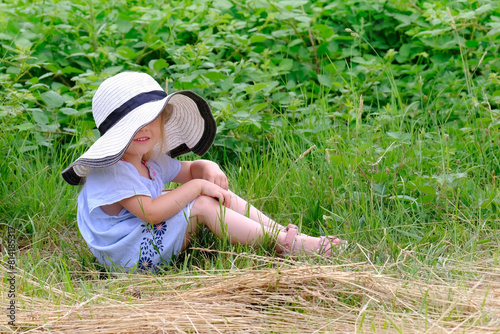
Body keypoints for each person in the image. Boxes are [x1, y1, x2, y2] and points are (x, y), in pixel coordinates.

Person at [62, 72, 346, 272]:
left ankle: (285, 238)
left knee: (214, 194)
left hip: (141, 235)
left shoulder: (148, 158)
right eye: (133, 124)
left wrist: (207, 167)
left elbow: (189, 170)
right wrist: (198, 187)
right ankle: (281, 244)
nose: (144, 129)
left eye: (151, 119)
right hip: (128, 254)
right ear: (115, 133)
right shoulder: (113, 171)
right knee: (201, 203)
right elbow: (151, 213)